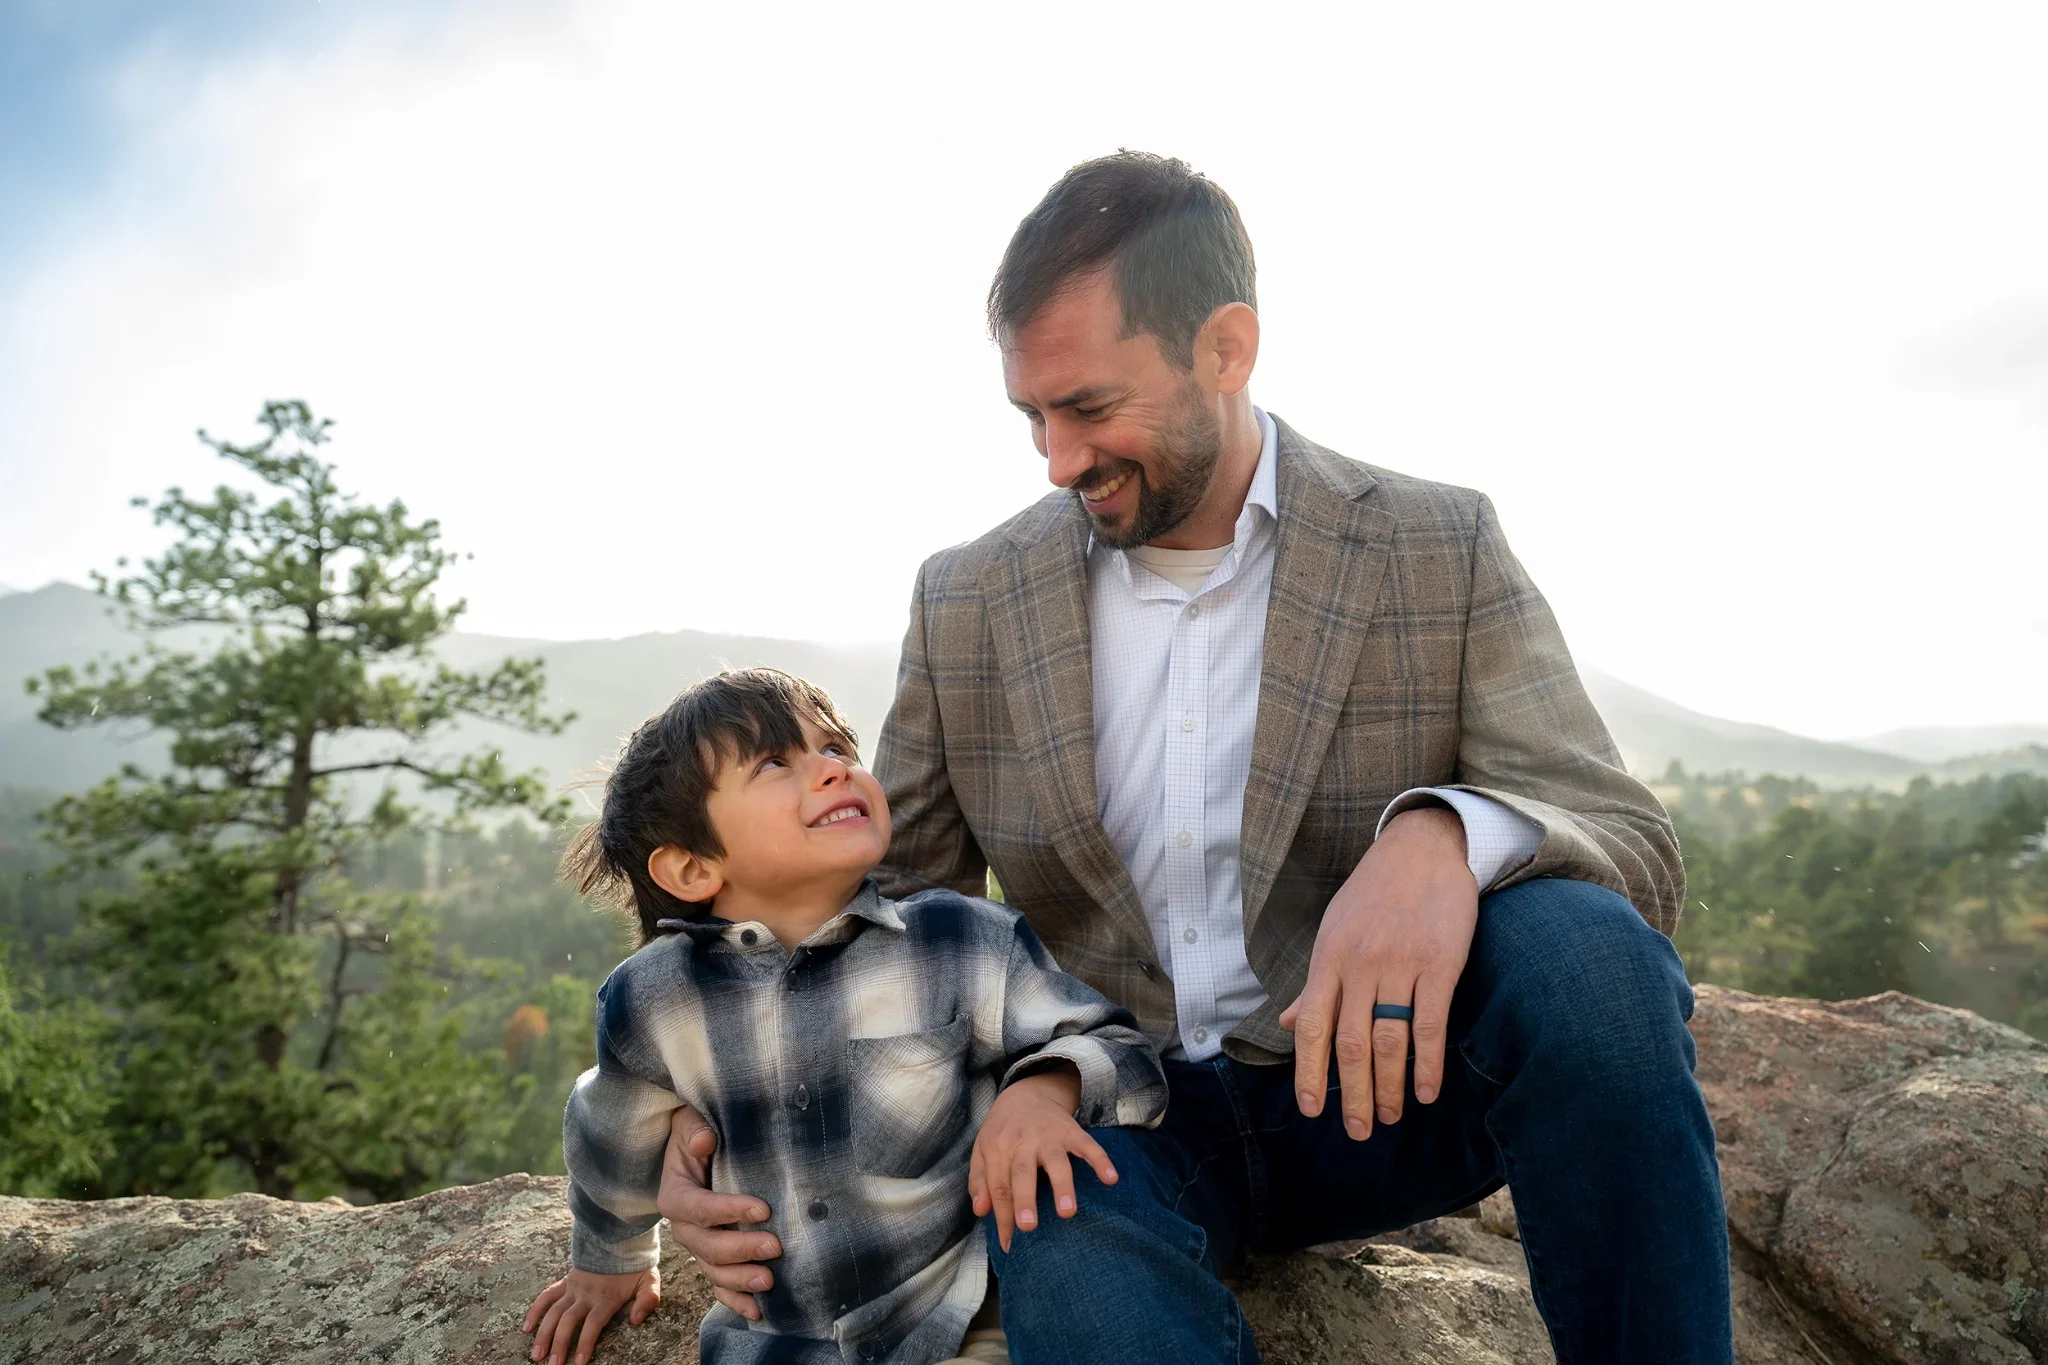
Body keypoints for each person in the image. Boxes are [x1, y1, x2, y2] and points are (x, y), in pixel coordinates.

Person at [658, 153, 1734, 1363]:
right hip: (1105, 1124)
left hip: (1389, 1098)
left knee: (1585, 958)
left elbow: (1631, 847)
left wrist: (1441, 838)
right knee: (1065, 1251)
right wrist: (712, 1108)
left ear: (1224, 350)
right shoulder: (967, 597)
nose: (1057, 461)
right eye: (1032, 419)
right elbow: (879, 902)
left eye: (1089, 409)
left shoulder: (1438, 544)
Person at [521, 668, 1166, 1365]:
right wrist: (610, 1257)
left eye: (837, 747)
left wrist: (1049, 1087)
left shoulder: (961, 943)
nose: (832, 769)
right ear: (692, 869)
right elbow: (611, 1127)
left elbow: (1121, 1049)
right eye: (775, 762)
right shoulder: (654, 998)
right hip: (770, 1344)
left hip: (960, 1322)